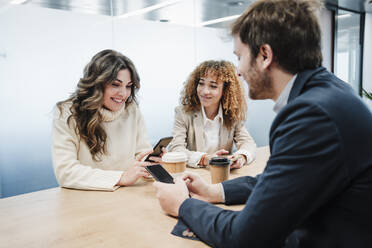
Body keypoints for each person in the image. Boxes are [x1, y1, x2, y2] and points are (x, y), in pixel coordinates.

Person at [153, 0, 372, 247]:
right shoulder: (329, 95)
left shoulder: (312, 114)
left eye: (240, 57)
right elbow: (280, 182)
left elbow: (247, 236)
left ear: (264, 55)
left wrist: (183, 205)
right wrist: (215, 192)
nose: (238, 71)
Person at [52, 49, 159, 191]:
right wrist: (122, 178)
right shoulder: (67, 112)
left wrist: (152, 165)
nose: (123, 94)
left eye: (128, 86)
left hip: (127, 195)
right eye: (115, 84)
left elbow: (141, 155)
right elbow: (66, 172)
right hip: (85, 200)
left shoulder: (131, 110)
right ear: (96, 84)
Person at [168, 60, 256, 169]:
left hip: (223, 175)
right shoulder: (182, 113)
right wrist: (205, 159)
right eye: (201, 83)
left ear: (225, 90)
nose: (205, 91)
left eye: (213, 86)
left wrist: (241, 156)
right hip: (196, 175)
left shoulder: (232, 114)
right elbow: (176, 148)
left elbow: (248, 143)